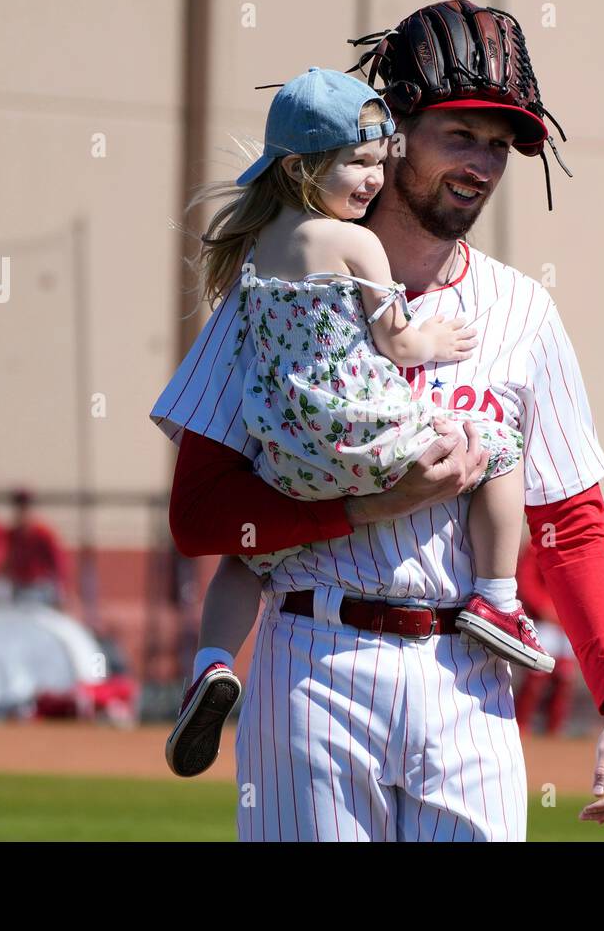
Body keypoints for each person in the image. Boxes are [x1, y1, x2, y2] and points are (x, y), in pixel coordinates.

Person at [151, 0, 604, 840]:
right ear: (394, 134)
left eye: (500, 146)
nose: (483, 164)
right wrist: (358, 511)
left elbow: (571, 523)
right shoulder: (277, 291)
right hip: (314, 664)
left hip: (472, 680)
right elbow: (198, 515)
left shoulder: (522, 312)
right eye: (461, 135)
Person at [162, 65, 557, 779]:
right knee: (497, 446)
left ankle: (214, 663)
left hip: (284, 453)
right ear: (302, 167)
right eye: (357, 162)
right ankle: (499, 603)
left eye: (379, 160)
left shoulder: (257, 247)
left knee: (249, 557)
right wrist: (435, 344)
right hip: (361, 435)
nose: (372, 179)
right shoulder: (355, 243)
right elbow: (397, 340)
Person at [514, 538, 579, 736]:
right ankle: (521, 725)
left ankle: (555, 729)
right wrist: (545, 608)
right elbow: (527, 581)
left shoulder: (578, 545)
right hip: (544, 621)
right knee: (537, 673)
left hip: (568, 621)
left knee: (565, 675)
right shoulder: (538, 545)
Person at [6, 488, 70, 608]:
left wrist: (60, 589)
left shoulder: (43, 532)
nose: (22, 511)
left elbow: (58, 561)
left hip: (40, 588)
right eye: (19, 507)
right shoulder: (13, 534)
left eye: (25, 507)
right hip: (19, 587)